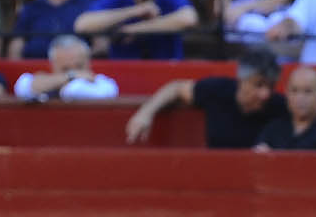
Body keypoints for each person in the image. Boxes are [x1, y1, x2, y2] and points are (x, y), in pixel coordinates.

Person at [124, 44, 290, 147]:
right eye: (258, 85)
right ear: (241, 80)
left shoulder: (279, 106)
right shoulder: (218, 91)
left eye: (270, 87)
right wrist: (145, 113)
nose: (265, 94)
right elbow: (175, 88)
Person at [254, 64, 316, 147]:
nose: (300, 98)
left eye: (308, 91)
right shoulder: (272, 130)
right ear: (287, 94)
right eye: (294, 90)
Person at [13, 33, 121, 100]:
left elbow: (73, 91)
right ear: (53, 66)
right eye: (66, 69)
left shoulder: (105, 83)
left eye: (79, 67)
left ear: (88, 63)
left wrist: (62, 81)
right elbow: (22, 86)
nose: (74, 72)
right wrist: (71, 76)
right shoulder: (45, 82)